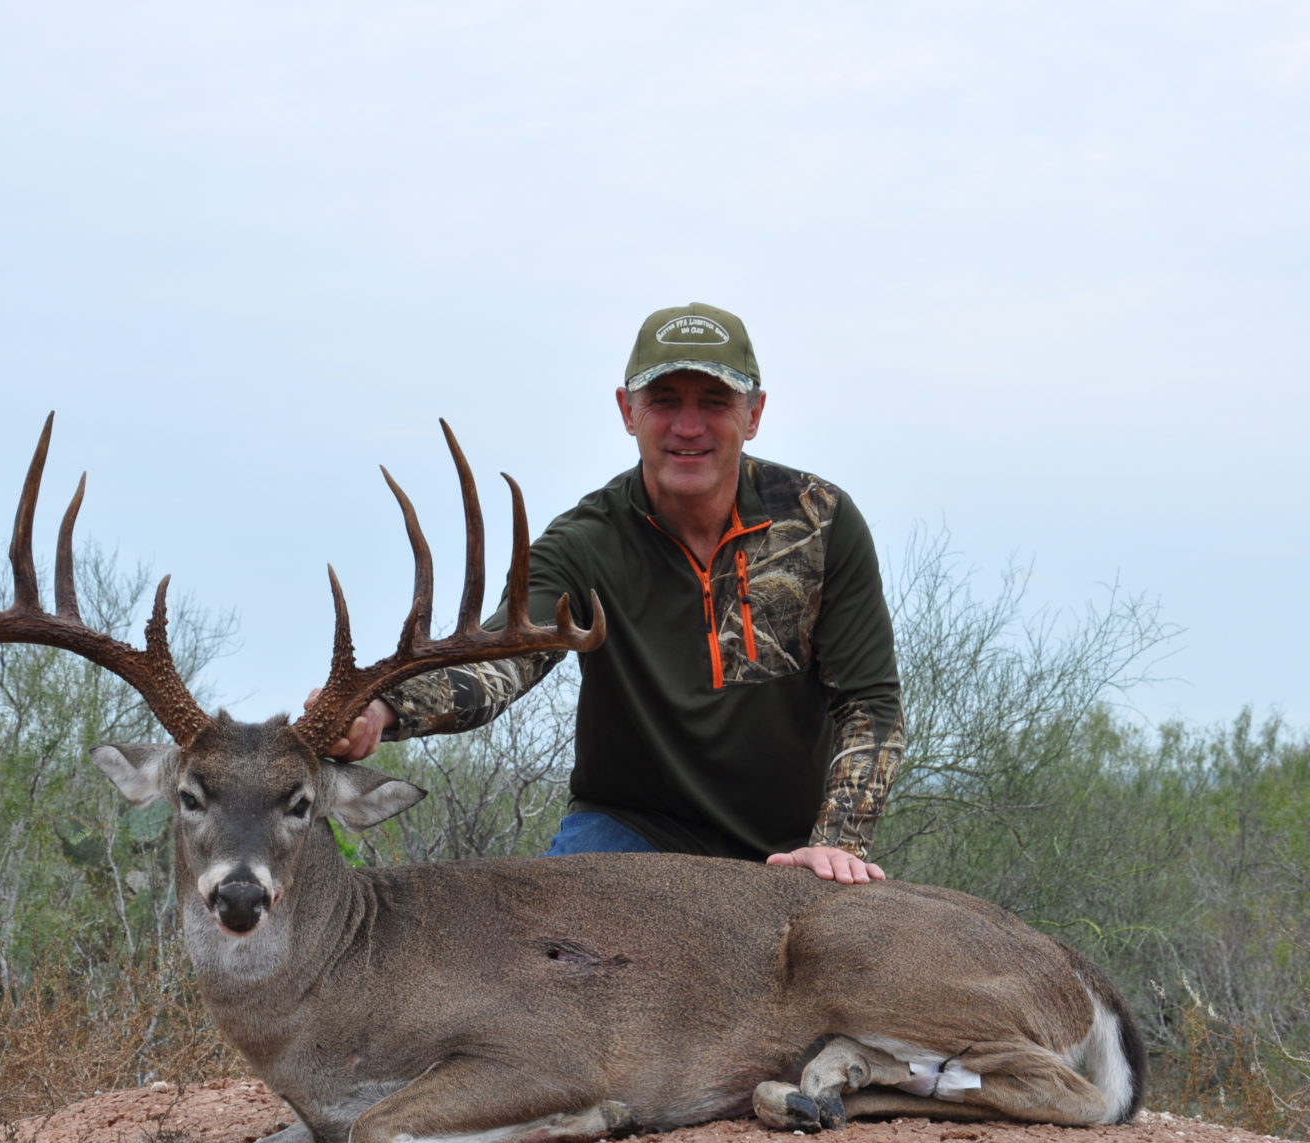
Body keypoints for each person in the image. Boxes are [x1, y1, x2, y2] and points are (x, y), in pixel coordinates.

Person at [321, 302, 905, 884]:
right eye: (665, 401)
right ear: (628, 411)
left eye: (715, 402)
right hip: (631, 830)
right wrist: (386, 705)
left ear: (754, 414)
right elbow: (500, 662)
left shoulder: (819, 522)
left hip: (787, 848)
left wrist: (837, 844)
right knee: (548, 952)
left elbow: (869, 704)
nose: (688, 426)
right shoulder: (583, 544)